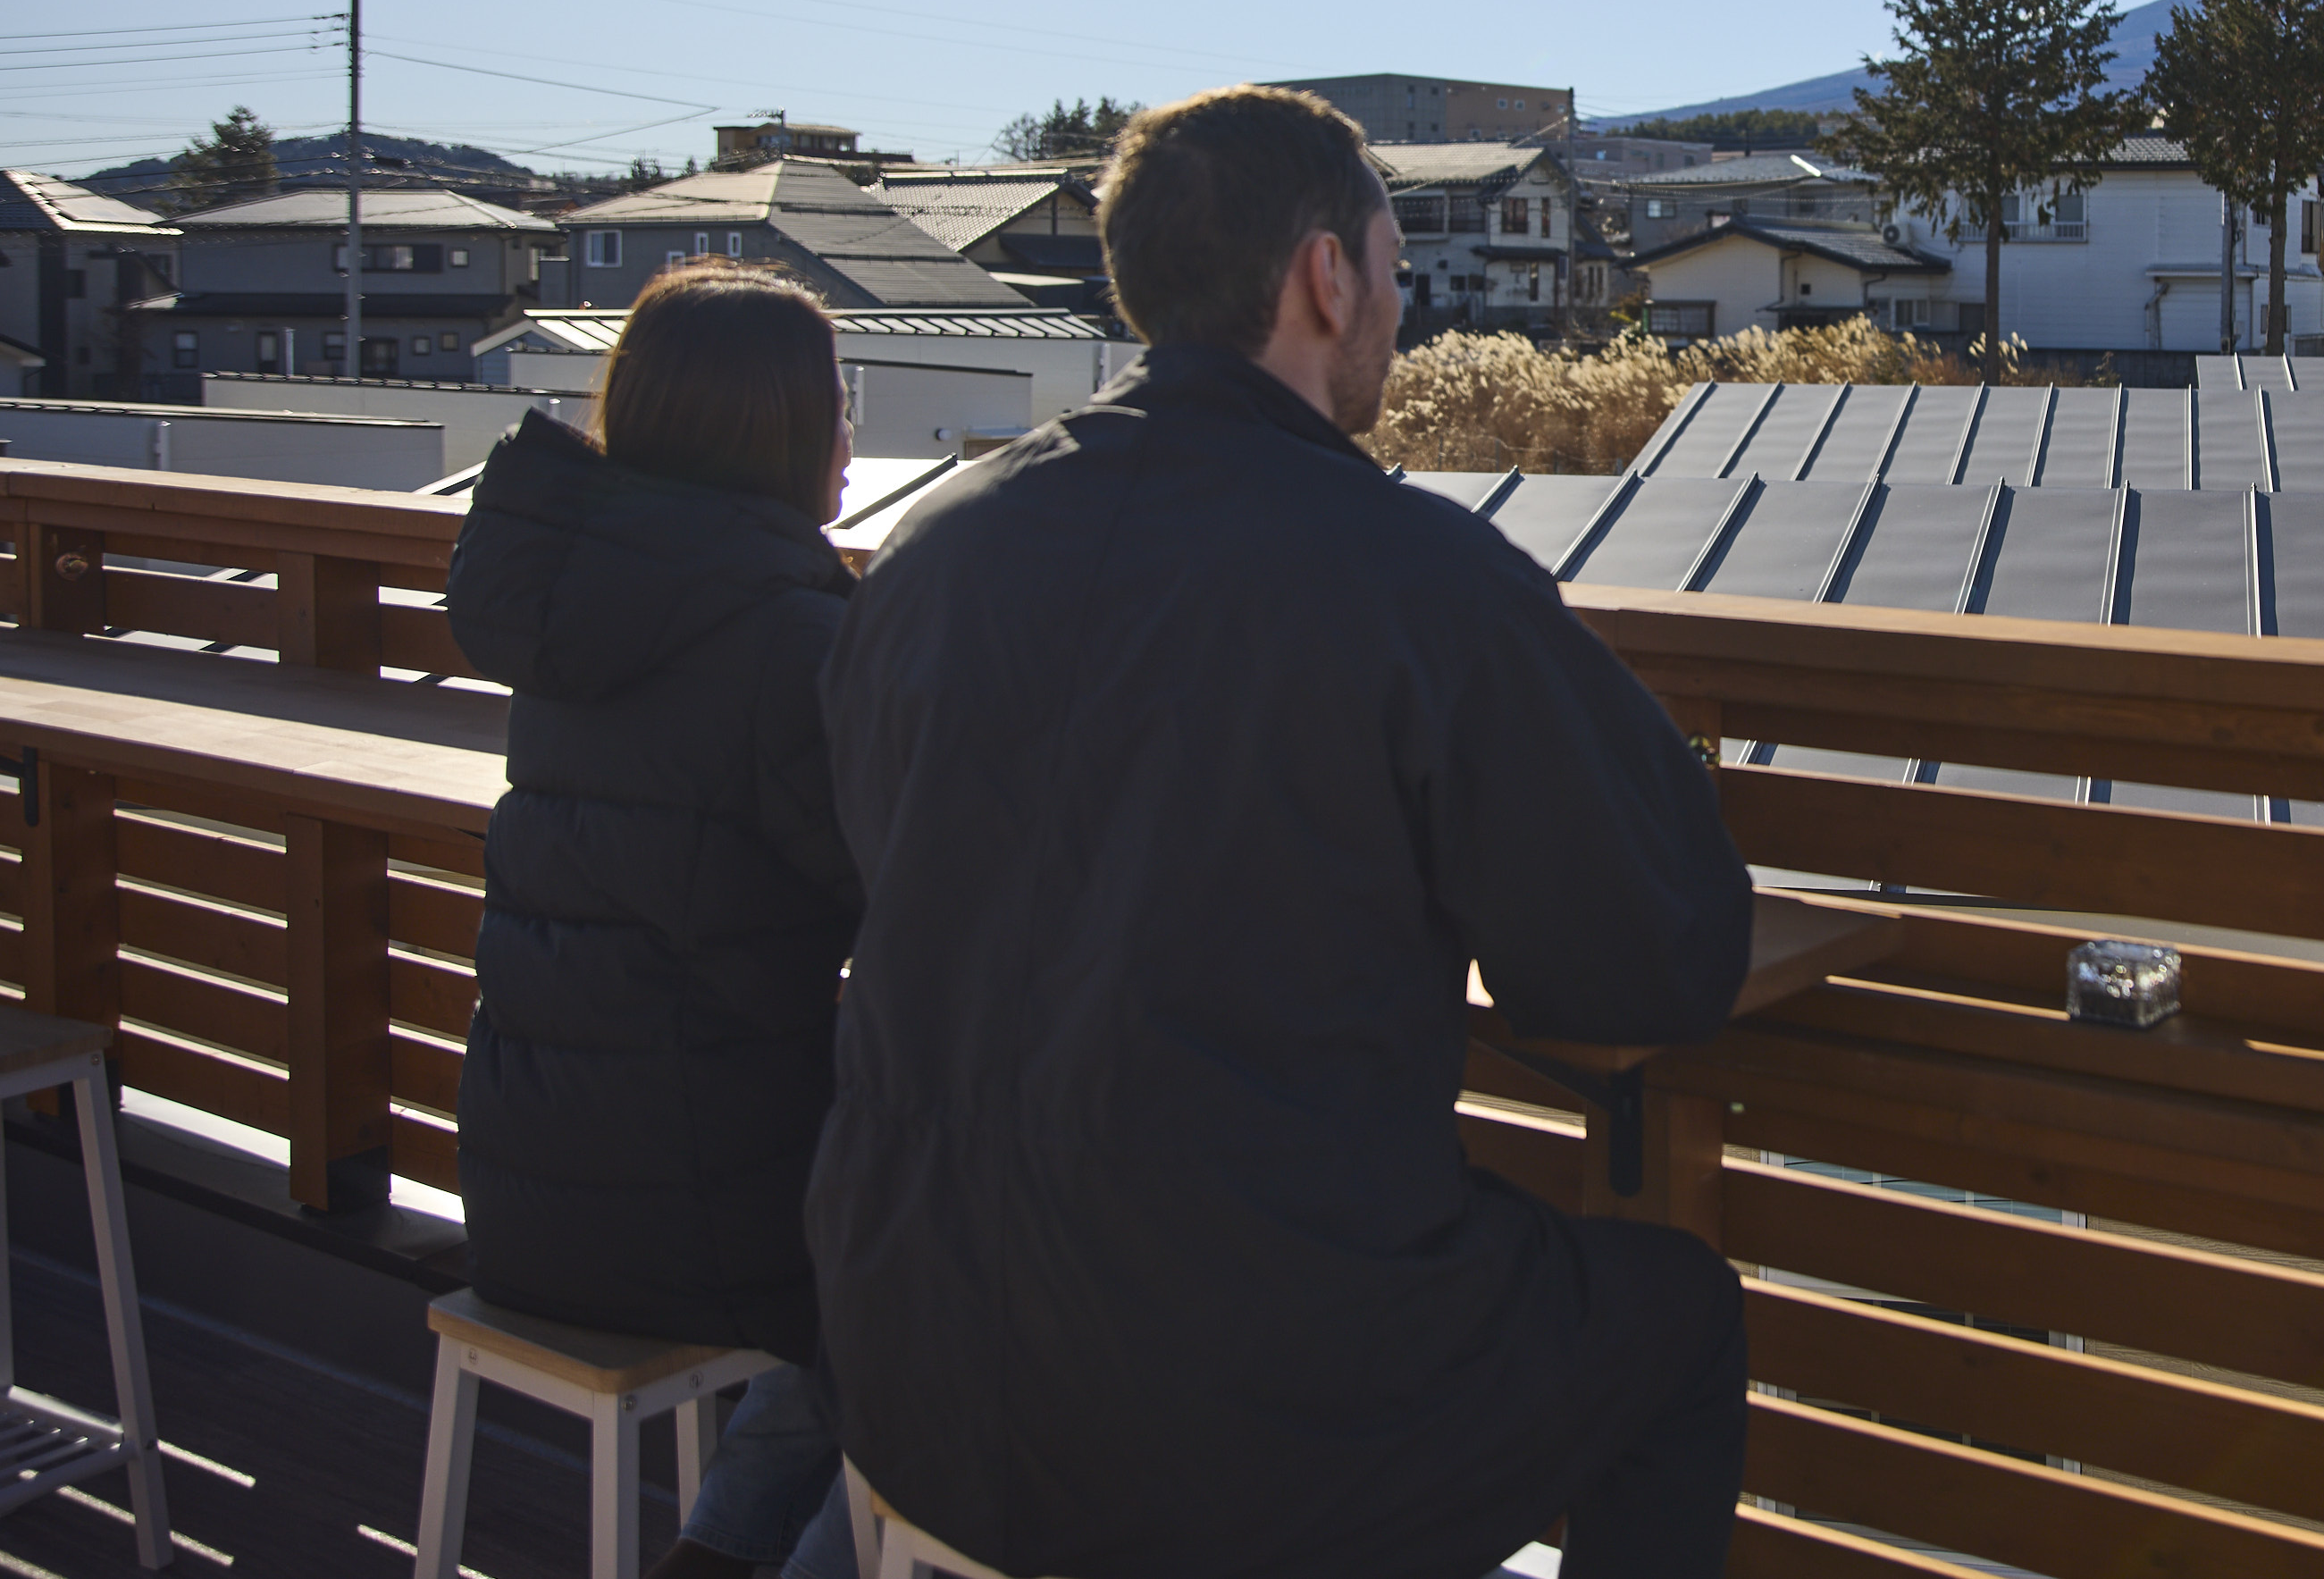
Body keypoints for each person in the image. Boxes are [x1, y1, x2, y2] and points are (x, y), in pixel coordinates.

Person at [809, 87, 1754, 1579]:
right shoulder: (1408, 574)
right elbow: (1647, 967)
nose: (1401, 305)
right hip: (1240, 1410)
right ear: (1325, 276)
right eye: (1393, 266)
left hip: (908, 1361)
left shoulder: (934, 548)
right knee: (1679, 1322)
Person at [445, 262, 867, 1579]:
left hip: (526, 1194)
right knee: (925, 1279)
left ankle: (720, 1548)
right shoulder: (785, 637)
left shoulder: (585, 608)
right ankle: (736, 1548)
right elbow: (899, 884)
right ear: (789, 431)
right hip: (682, 1218)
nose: (853, 436)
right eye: (837, 407)